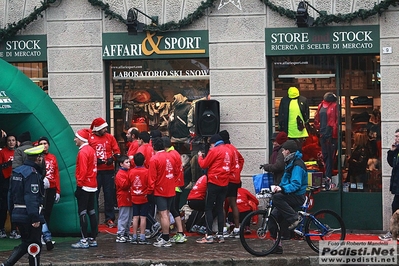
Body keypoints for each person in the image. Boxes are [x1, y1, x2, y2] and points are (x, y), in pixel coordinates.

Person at [1, 145, 45, 266]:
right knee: (35, 245)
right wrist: (35, 217)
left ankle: (7, 264)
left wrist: (12, 212)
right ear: (38, 158)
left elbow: (10, 194)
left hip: (17, 213)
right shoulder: (32, 174)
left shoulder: (17, 171)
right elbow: (31, 197)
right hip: (29, 214)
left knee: (26, 242)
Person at [269, 140, 308, 254]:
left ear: (288, 151)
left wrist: (283, 189)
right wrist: (278, 187)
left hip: (297, 196)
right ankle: (277, 246)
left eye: (283, 150)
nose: (282, 153)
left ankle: (294, 218)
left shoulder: (297, 164)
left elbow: (296, 184)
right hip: (290, 194)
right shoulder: (290, 162)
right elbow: (285, 181)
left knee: (277, 198)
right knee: (273, 216)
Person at [196, 134, 233, 244]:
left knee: (208, 208)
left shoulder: (214, 151)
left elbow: (204, 164)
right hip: (225, 182)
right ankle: (221, 235)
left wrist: (200, 156)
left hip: (214, 182)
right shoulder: (229, 151)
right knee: (219, 208)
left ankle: (208, 235)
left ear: (213, 143)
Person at [88, 117, 121, 228]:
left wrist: (113, 158)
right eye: (103, 128)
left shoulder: (110, 138)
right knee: (95, 195)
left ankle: (109, 218)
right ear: (98, 128)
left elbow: (117, 151)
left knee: (109, 195)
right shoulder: (90, 138)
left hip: (108, 171)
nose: (106, 129)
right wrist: (95, 160)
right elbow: (87, 153)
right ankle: (94, 218)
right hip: (96, 171)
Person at [147, 137, 179, 247]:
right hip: (171, 188)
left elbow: (152, 177)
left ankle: (165, 238)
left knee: (163, 214)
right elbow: (176, 172)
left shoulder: (154, 159)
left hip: (160, 190)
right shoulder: (171, 156)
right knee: (167, 212)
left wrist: (149, 191)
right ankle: (166, 236)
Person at [71, 129, 99, 249]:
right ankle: (93, 238)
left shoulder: (83, 152)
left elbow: (82, 171)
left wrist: (79, 186)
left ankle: (84, 240)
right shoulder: (91, 150)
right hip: (92, 185)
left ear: (81, 139)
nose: (74, 139)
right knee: (91, 212)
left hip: (84, 186)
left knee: (82, 212)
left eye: (76, 137)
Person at [218, 130, 244, 238]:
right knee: (233, 204)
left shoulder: (224, 150)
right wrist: (237, 171)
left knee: (222, 204)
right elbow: (241, 160)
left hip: (227, 179)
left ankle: (223, 228)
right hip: (235, 180)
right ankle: (237, 228)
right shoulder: (234, 149)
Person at [162, 136, 186, 244]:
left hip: (173, 185)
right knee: (173, 209)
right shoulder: (175, 153)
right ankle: (180, 232)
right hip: (177, 185)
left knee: (172, 210)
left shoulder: (170, 155)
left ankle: (178, 233)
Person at [37, 136, 59, 250]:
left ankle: (46, 235)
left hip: (51, 187)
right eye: (41, 143)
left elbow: (56, 174)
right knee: (41, 211)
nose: (44, 145)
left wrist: (58, 190)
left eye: (45, 143)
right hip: (41, 188)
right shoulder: (38, 157)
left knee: (48, 212)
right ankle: (42, 235)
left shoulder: (53, 157)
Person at [314, 92, 338, 190]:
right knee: (327, 158)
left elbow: (317, 120)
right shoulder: (328, 106)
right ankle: (328, 181)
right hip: (327, 135)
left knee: (329, 158)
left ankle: (328, 180)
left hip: (329, 135)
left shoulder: (323, 106)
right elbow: (336, 121)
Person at [380, 128, 399, 241]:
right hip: (397, 185)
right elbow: (392, 164)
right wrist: (391, 152)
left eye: (397, 136)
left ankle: (393, 232)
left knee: (395, 206)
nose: (396, 138)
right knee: (395, 207)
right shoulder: (396, 151)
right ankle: (393, 232)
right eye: (395, 136)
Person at [0, 134, 20, 239]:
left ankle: (14, 229)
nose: (11, 142)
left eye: (13, 140)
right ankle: (1, 228)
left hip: (16, 181)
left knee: (14, 206)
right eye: (9, 140)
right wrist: (9, 163)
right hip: (6, 181)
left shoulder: (18, 152)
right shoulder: (2, 152)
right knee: (4, 206)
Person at [129, 152, 151, 245]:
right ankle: (142, 236)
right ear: (144, 161)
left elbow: (129, 182)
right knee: (143, 217)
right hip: (144, 196)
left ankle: (134, 236)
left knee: (135, 217)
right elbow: (149, 184)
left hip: (134, 196)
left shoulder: (131, 172)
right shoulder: (147, 171)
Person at [114, 155, 133, 243]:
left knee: (129, 217)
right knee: (124, 216)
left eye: (129, 162)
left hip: (129, 196)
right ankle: (120, 234)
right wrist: (131, 179)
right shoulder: (120, 174)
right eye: (127, 162)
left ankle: (126, 233)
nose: (129, 164)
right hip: (123, 197)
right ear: (121, 164)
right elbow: (123, 185)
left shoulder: (128, 172)